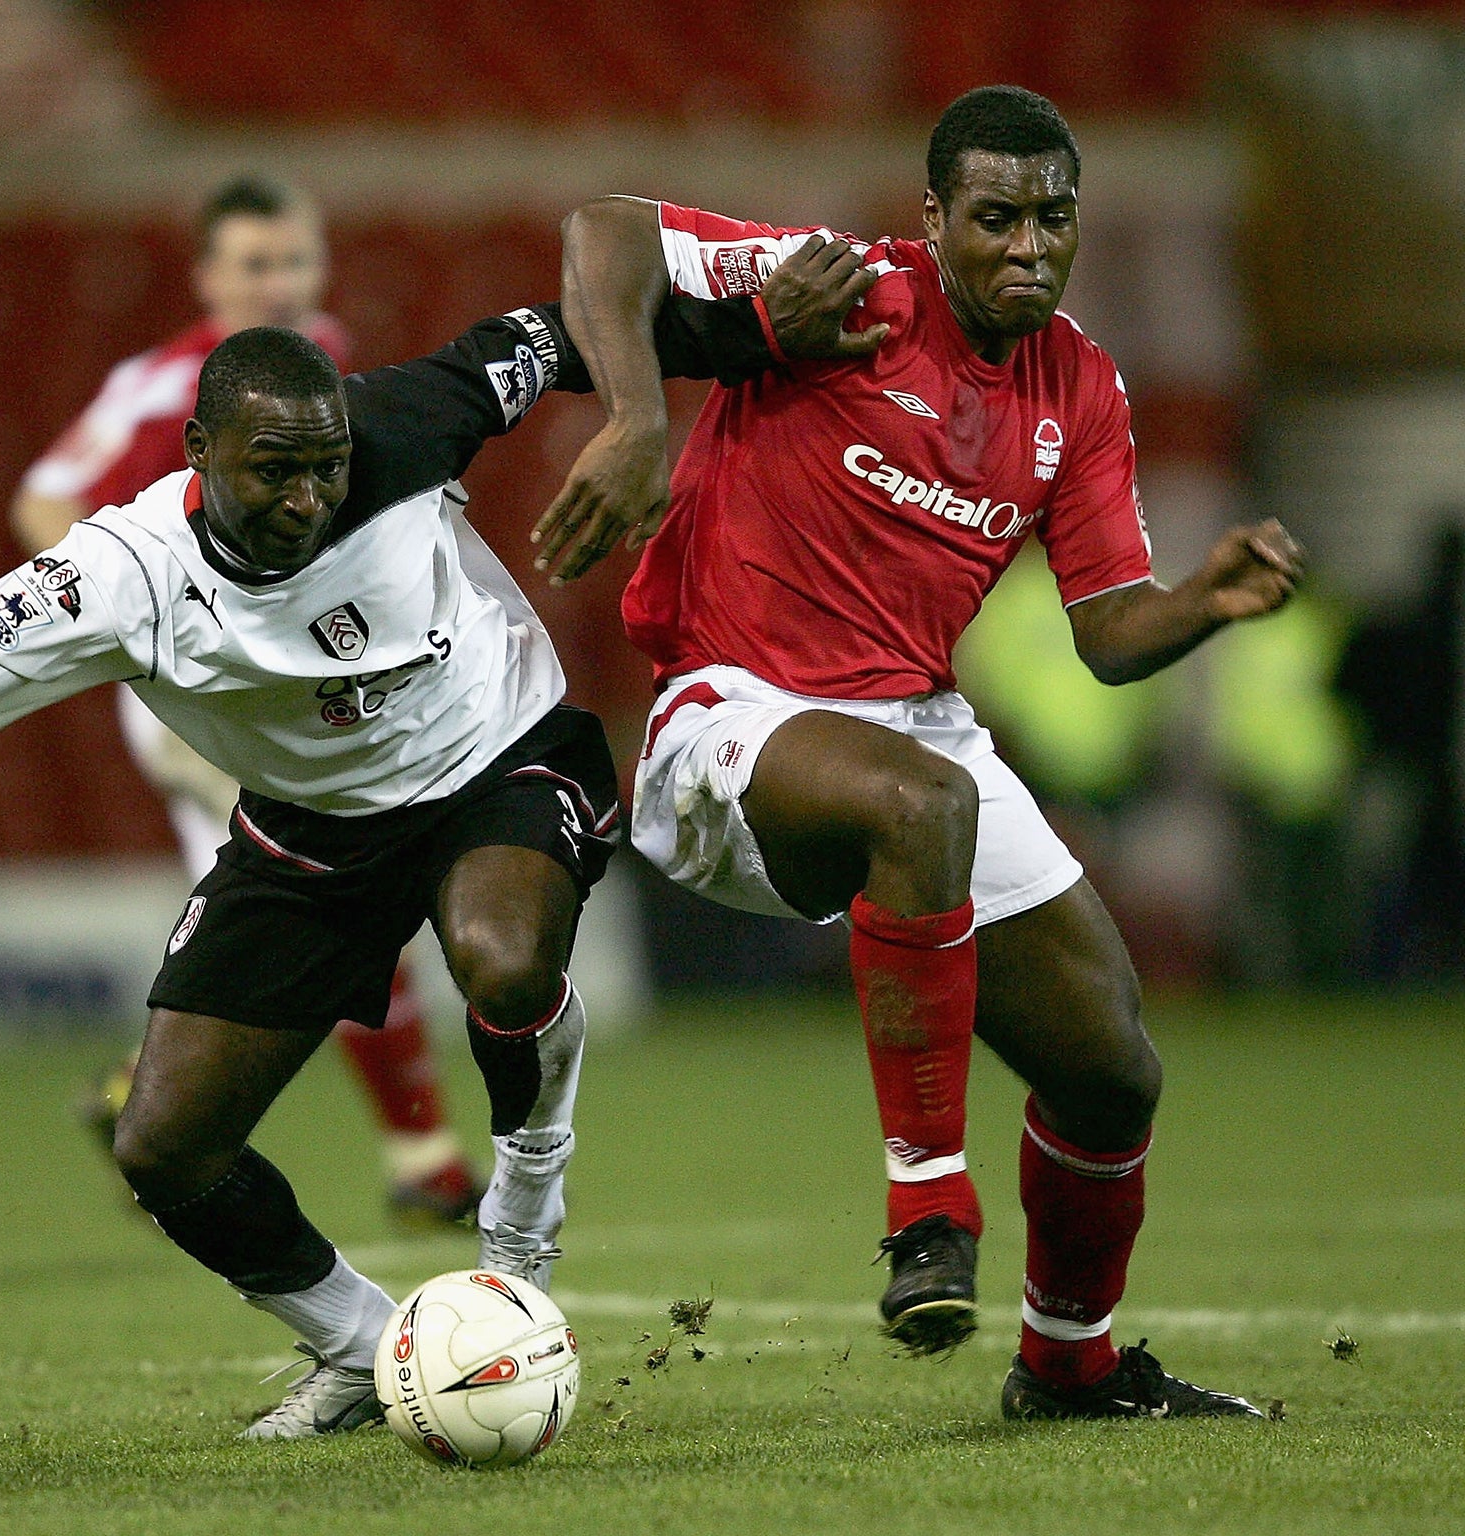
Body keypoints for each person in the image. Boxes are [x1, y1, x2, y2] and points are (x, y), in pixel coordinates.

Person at [0, 294, 782, 1438]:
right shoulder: (116, 582)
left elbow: (577, 320)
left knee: (501, 957)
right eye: (272, 470)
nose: (304, 498)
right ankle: (362, 1348)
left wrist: (762, 336)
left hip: (501, 752)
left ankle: (525, 1206)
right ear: (194, 454)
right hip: (311, 830)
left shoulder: (402, 424)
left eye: (322, 469)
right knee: (164, 1146)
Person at [537, 84, 1302, 1420]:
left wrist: (1203, 604)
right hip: (729, 714)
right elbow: (606, 233)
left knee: (1111, 1068)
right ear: (936, 216)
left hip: (916, 732)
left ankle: (1069, 1364)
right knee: (925, 803)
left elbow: (1109, 632)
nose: (1028, 246)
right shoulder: (847, 291)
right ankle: (926, 1216)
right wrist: (640, 413)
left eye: (1052, 219)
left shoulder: (1079, 384)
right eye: (995, 218)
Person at [12, 173, 481, 1226]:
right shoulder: (163, 381)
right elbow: (42, 497)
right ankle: (423, 1159)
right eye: (254, 265)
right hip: (199, 703)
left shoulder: (327, 356)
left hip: (297, 684)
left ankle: (150, 1102)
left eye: (294, 261)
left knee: (283, 925)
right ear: (207, 277)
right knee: (333, 897)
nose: (278, 285)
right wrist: (141, 613)